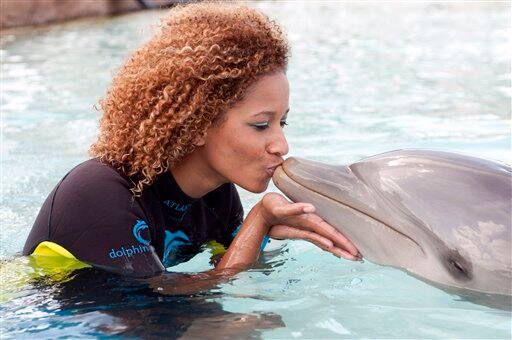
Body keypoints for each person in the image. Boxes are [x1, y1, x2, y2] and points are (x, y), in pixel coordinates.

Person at [23, 2, 360, 281]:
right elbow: (156, 304)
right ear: (197, 123)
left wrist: (263, 229)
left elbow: (239, 277)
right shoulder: (98, 192)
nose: (281, 145)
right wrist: (259, 221)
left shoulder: (216, 197)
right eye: (261, 125)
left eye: (281, 122)